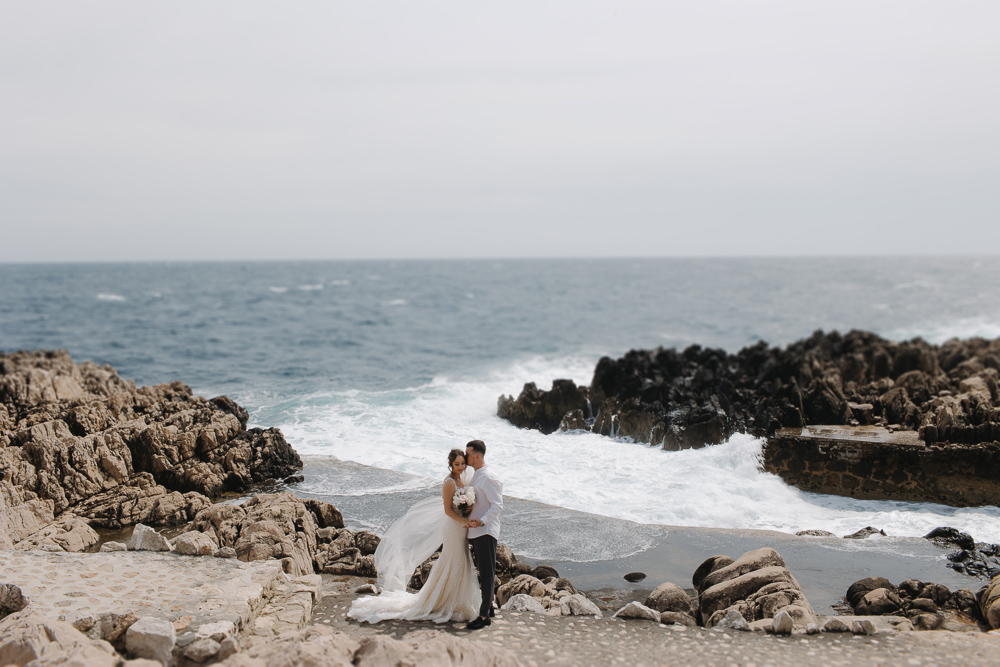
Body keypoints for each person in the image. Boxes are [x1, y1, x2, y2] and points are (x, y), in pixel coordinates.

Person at [346, 448, 481, 624]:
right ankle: (441, 601)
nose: (461, 467)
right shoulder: (449, 483)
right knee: (453, 561)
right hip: (453, 528)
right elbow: (447, 510)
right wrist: (463, 520)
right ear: (450, 464)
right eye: (457, 464)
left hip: (461, 527)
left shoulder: (460, 479)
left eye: (463, 463)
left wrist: (468, 511)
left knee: (461, 561)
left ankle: (455, 600)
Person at [464, 439, 503, 630]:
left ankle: (484, 616)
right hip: (477, 530)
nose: (466, 457)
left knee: (487, 573)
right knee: (483, 571)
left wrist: (482, 521)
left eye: (468, 454)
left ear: (477, 456)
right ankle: (489, 608)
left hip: (486, 531)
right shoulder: (477, 475)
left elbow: (497, 505)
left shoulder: (488, 477)